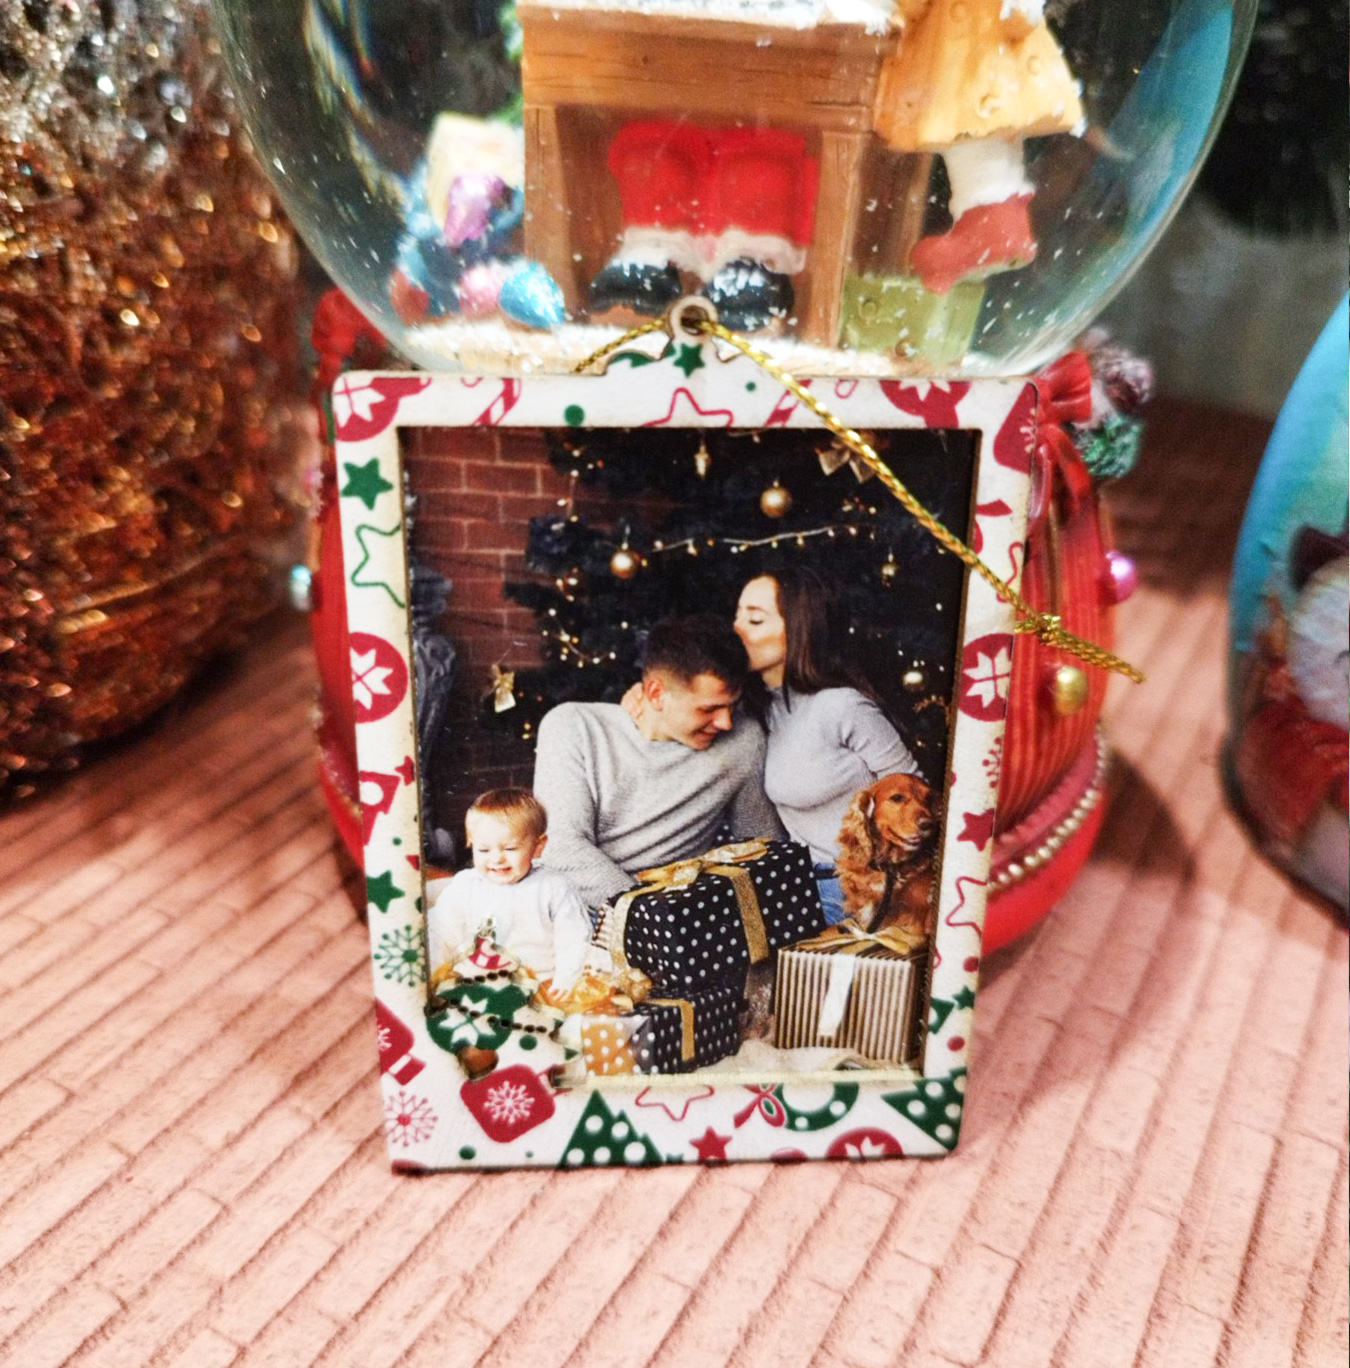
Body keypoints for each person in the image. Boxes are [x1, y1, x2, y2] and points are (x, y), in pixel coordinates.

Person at [533, 615, 787, 908]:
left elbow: (760, 848)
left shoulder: (743, 740)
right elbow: (560, 846)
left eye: (732, 706)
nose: (725, 722)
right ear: (656, 694)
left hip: (678, 912)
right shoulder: (573, 726)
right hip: (581, 911)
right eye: (709, 709)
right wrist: (650, 916)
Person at [733, 566, 921, 922]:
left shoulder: (841, 706)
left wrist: (884, 893)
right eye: (738, 616)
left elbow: (915, 795)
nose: (737, 629)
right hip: (803, 885)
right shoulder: (759, 711)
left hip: (866, 891)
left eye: (755, 620)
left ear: (799, 629)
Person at [425, 788, 592, 993]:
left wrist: (565, 983)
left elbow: (575, 939)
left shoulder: (553, 887)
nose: (497, 858)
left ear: (538, 846)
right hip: (475, 988)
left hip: (539, 988)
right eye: (484, 850)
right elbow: (440, 935)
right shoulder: (465, 886)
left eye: (510, 848)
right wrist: (434, 980)